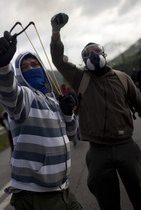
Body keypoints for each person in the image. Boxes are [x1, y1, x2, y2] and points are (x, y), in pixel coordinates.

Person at [50, 13, 141, 210]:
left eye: (96, 50)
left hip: (127, 146)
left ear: (103, 54)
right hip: (98, 151)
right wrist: (56, 32)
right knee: (107, 201)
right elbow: (57, 60)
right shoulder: (79, 78)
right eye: (88, 53)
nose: (93, 54)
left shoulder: (123, 78)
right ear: (84, 60)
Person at [0, 31, 82, 209]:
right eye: (25, 67)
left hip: (64, 190)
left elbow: (70, 134)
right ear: (18, 74)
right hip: (36, 197)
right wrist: (1, 66)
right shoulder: (25, 98)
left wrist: (68, 113)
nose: (31, 68)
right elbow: (8, 92)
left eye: (34, 64)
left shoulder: (53, 100)